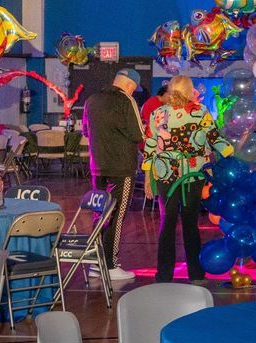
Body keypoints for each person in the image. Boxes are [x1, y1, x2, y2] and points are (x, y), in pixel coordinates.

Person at [146, 76, 216, 283]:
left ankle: (164, 275)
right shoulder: (200, 112)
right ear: (189, 91)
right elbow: (212, 141)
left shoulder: (157, 113)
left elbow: (151, 145)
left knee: (166, 224)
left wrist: (149, 176)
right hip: (191, 175)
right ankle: (196, 274)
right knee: (190, 223)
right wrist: (224, 158)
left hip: (164, 174)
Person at [83, 69, 144, 281]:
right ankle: (110, 265)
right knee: (116, 216)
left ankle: (95, 264)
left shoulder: (92, 100)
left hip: (97, 166)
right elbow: (138, 134)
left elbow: (84, 131)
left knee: (100, 214)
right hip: (121, 167)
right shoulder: (126, 100)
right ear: (129, 86)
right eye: (134, 89)